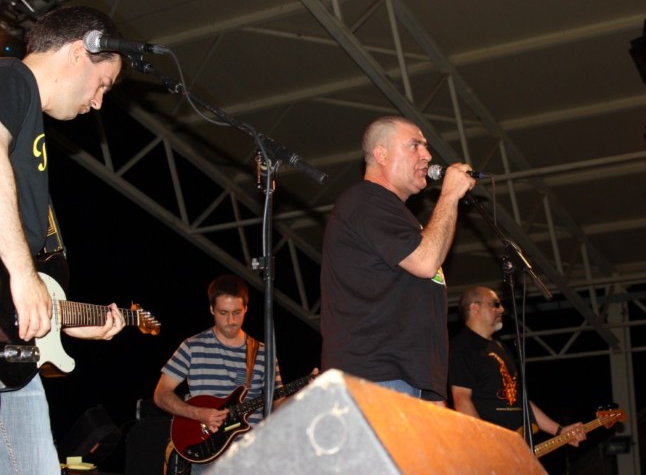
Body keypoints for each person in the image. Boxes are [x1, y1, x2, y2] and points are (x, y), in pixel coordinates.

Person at [0, 5, 130, 475]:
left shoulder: (29, 121)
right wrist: (23, 275)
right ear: (79, 53)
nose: (97, 102)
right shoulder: (12, 77)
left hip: (15, 355)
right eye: (102, 84)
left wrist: (58, 319)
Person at [320, 115, 476, 404]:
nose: (427, 155)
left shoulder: (401, 218)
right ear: (381, 154)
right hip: (376, 375)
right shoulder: (365, 201)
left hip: (410, 380)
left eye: (425, 146)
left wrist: (433, 390)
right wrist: (449, 196)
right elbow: (425, 263)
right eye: (414, 145)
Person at [154, 274, 283, 475]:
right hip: (209, 453)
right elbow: (161, 394)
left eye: (237, 312)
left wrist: (307, 393)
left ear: (246, 308)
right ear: (211, 309)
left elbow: (279, 403)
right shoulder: (192, 347)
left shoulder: (263, 353)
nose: (231, 321)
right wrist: (199, 414)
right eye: (223, 313)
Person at [449, 286, 587, 447]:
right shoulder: (462, 347)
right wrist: (483, 442)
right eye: (495, 304)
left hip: (517, 443)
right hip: (492, 445)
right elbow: (461, 398)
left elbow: (520, 400)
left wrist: (559, 431)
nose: (502, 309)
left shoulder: (501, 348)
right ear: (475, 308)